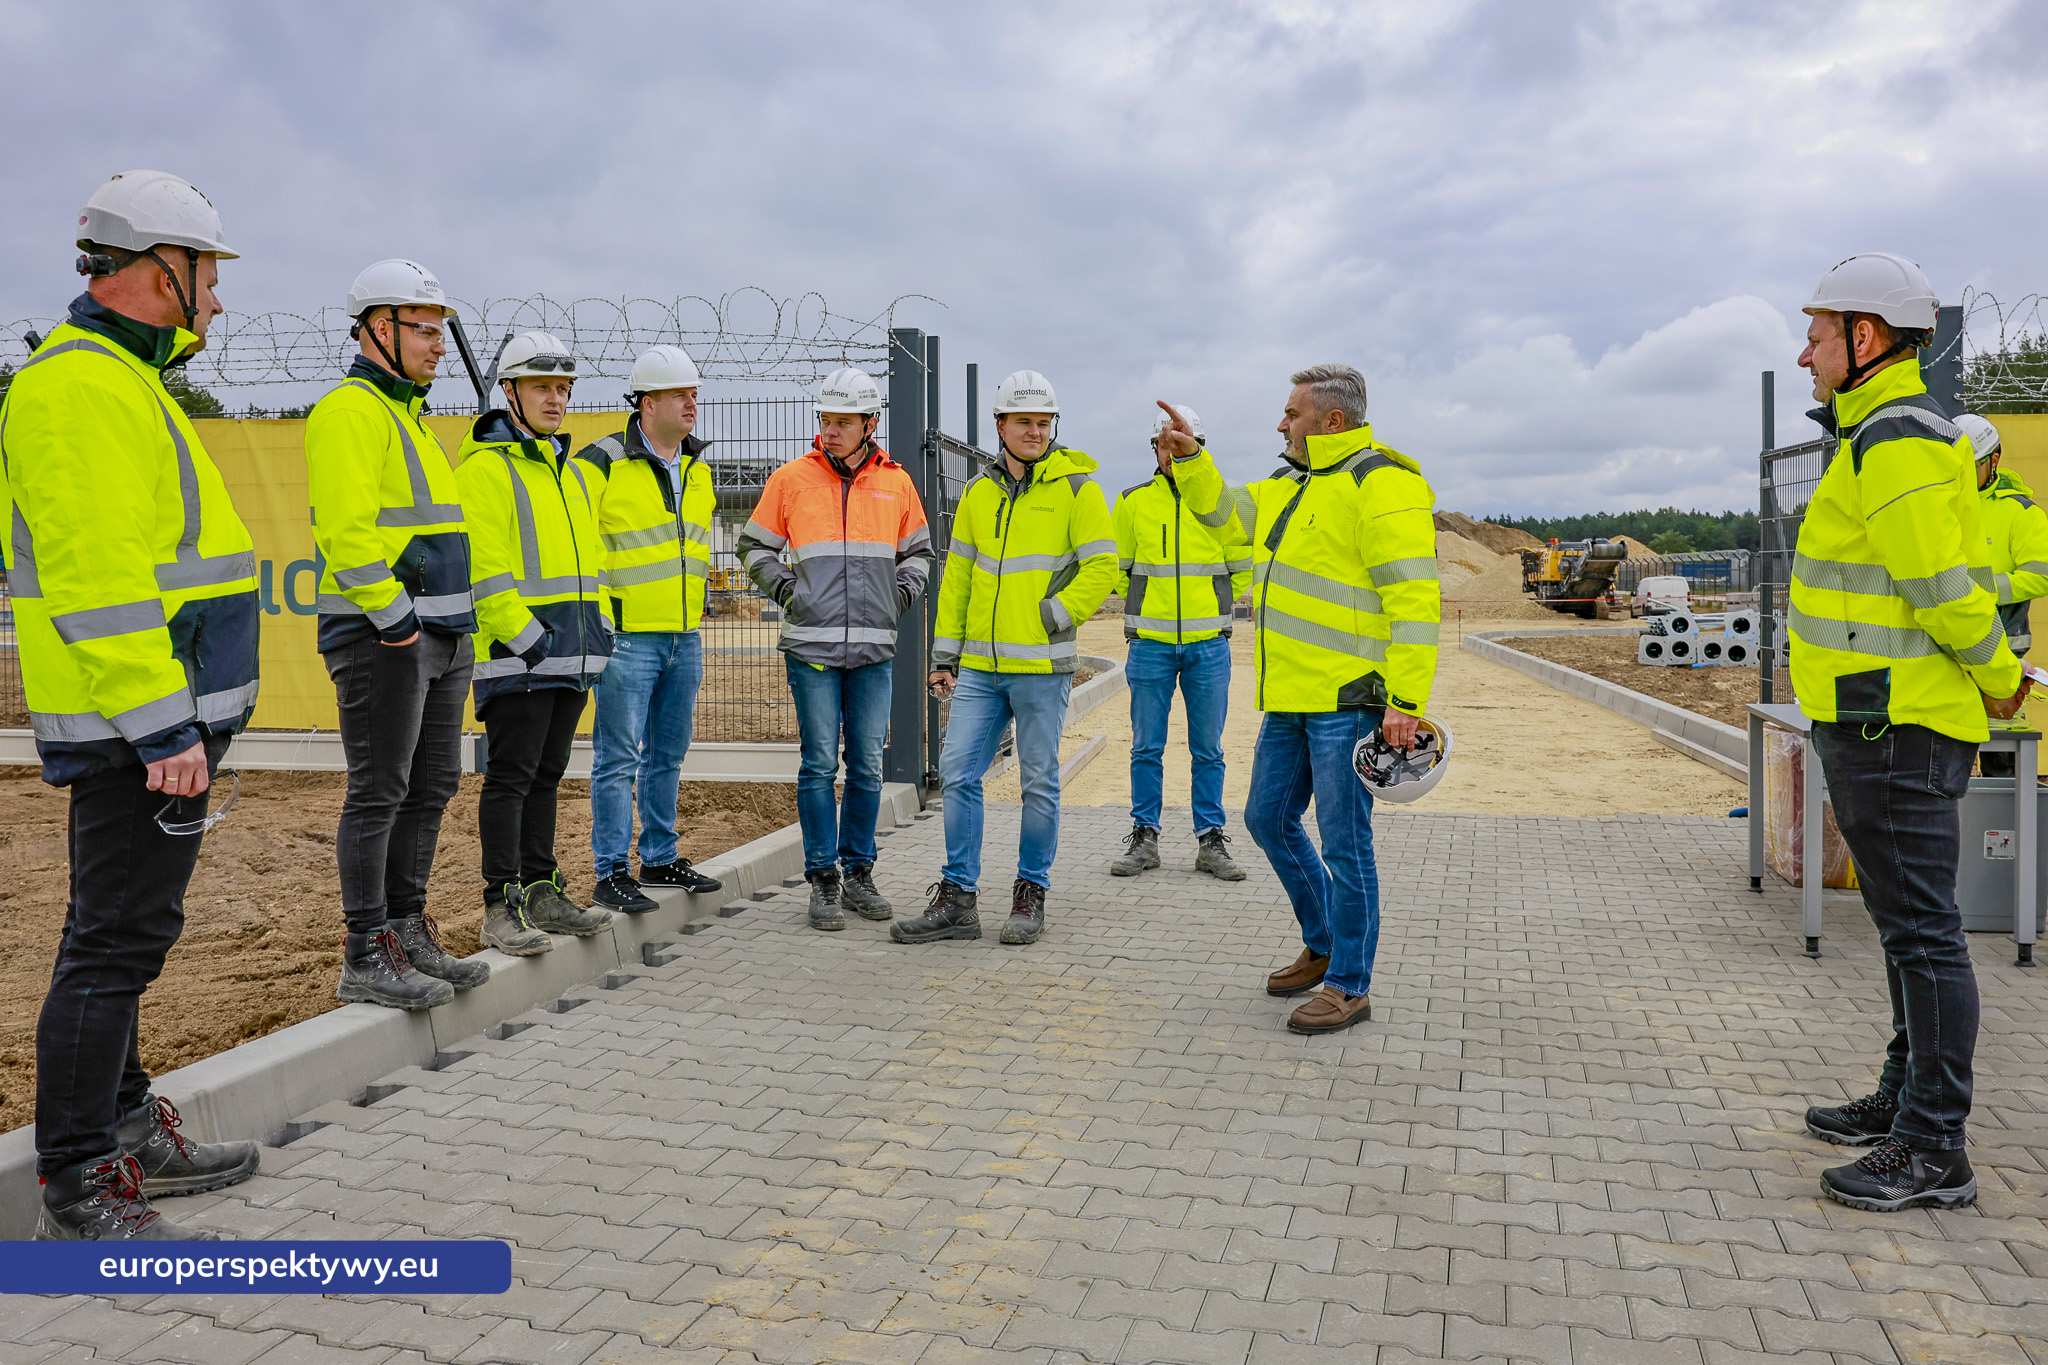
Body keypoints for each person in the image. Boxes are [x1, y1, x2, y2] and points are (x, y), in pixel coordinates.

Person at [7, 170, 262, 1239]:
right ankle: (76, 1176)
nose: (215, 301)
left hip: (153, 721)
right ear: (164, 270)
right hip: (134, 729)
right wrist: (161, 724)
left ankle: (123, 1126)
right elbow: (98, 577)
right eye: (207, 277)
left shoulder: (119, 382)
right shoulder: (78, 390)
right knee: (111, 946)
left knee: (125, 936)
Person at [1789, 254, 2028, 1212]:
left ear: (1867, 338)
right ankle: (1905, 1098)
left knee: (1924, 935)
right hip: (1875, 715)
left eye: (1816, 333)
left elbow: (1938, 587)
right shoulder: (1874, 434)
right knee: (1903, 932)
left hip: (1899, 722)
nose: (1803, 351)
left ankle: (1935, 1145)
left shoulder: (1894, 437)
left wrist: (2002, 677)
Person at [1173, 366, 1441, 1036]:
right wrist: (1193, 459)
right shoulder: (1291, 482)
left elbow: (1414, 599)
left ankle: (1350, 983)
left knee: (1346, 844)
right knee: (1266, 818)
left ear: (1331, 421)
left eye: (1291, 412)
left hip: (1349, 700)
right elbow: (1223, 515)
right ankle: (1324, 942)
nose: (1280, 423)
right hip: (1290, 696)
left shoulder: (1382, 483)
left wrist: (1405, 699)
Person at [307, 259, 483, 1011]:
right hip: (386, 637)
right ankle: (365, 949)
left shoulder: (404, 415)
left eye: (442, 329)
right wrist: (399, 624)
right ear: (379, 328)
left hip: (438, 635)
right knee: (380, 790)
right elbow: (348, 538)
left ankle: (406, 929)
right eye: (424, 328)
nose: (439, 344)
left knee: (432, 784)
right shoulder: (350, 412)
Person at [894, 370, 1116, 947]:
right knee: (958, 774)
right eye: (1024, 422)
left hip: (1042, 669)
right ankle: (959, 900)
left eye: (1044, 423)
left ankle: (1029, 893)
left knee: (1039, 784)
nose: (1036, 432)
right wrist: (945, 655)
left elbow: (1102, 568)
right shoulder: (978, 492)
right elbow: (960, 575)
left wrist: (1052, 617)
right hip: (982, 670)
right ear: (1001, 425)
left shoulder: (1078, 490)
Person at [737, 368, 932, 930]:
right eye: (826, 420)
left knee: (867, 767)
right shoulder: (791, 479)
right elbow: (754, 546)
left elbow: (919, 552)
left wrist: (899, 595)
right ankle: (823, 879)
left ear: (870, 425)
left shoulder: (896, 482)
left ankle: (859, 873)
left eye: (844, 422)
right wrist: (788, 591)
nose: (832, 431)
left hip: (874, 649)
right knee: (819, 764)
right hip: (811, 649)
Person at [456, 331, 615, 953]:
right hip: (519, 658)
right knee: (511, 777)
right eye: (544, 387)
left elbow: (590, 564)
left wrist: (598, 632)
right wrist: (529, 642)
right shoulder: (484, 471)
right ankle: (501, 905)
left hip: (571, 656)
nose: (556, 399)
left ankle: (541, 889)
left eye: (564, 389)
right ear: (511, 392)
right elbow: (485, 570)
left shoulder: (569, 474)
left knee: (546, 776)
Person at [577, 345, 725, 913]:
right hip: (628, 637)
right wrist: (603, 622)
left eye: (694, 394)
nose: (692, 404)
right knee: (616, 758)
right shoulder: (601, 463)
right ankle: (611, 871)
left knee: (668, 754)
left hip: (685, 635)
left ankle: (659, 858)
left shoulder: (698, 466)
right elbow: (583, 549)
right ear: (647, 402)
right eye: (680, 395)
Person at [1108, 403, 1252, 881]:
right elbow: (1118, 567)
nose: (1171, 452)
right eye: (1163, 444)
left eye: (1181, 443)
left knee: (1207, 750)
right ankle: (1144, 837)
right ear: (1155, 448)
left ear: (1198, 448)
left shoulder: (1220, 502)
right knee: (1146, 747)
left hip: (1207, 645)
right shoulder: (1130, 502)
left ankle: (1210, 840)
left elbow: (1243, 565)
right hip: (1149, 644)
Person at [1957, 412, 2048, 779]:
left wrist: (1978, 591)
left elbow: (2041, 575)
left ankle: (2007, 821)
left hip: (2003, 646)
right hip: (1949, 644)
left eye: (1970, 465)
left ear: (1993, 460)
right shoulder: (1942, 505)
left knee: (2001, 754)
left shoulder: (2021, 512)